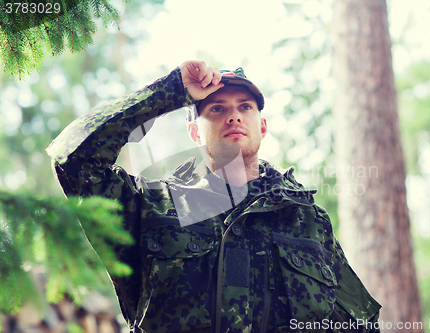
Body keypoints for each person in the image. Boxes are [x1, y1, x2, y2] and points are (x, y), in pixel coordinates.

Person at [47, 60, 381, 332]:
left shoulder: (307, 219)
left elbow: (360, 323)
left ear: (262, 126)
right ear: (194, 131)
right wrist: (171, 91)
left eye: (245, 107)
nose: (233, 115)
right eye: (217, 108)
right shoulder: (149, 207)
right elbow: (72, 157)